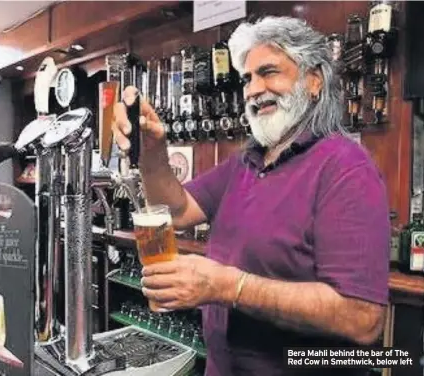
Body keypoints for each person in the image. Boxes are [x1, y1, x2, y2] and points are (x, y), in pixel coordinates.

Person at [112, 16, 390, 376]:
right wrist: (152, 150)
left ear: (314, 80)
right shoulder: (248, 161)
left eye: (269, 72)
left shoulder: (345, 167)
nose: (253, 90)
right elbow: (178, 210)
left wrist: (228, 285)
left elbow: (362, 318)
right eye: (247, 78)